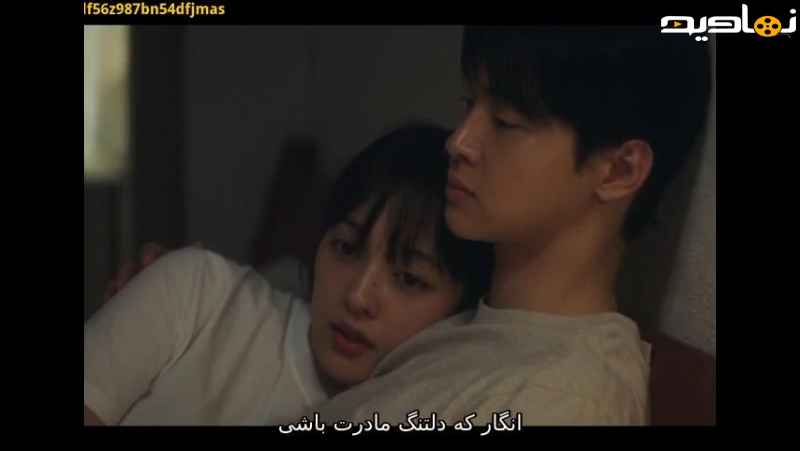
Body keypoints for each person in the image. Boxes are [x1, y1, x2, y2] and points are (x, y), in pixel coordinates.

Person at [306, 26, 712, 426]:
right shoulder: (472, 326)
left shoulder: (558, 402)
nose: (459, 142)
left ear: (619, 170)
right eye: (470, 104)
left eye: (505, 121)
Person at [83, 122, 493, 425]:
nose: (358, 297)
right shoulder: (200, 295)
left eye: (409, 279)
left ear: (461, 309)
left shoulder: (439, 408)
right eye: (346, 248)